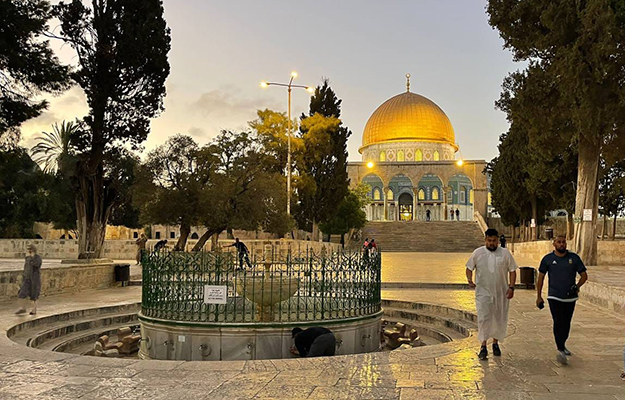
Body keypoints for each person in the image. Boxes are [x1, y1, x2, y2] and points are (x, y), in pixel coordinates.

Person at [466, 228, 518, 360]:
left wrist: (511, 287)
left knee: (499, 317)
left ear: (498, 241)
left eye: (494, 241)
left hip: (501, 292)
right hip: (483, 292)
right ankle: (483, 346)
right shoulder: (478, 253)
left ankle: (495, 343)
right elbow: (469, 267)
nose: (492, 243)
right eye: (489, 241)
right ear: (485, 240)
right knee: (484, 317)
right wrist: (470, 279)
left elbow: (512, 270)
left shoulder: (505, 254)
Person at [536, 235, 588, 365]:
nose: (561, 244)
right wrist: (538, 296)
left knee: (566, 323)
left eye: (563, 242)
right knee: (558, 321)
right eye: (558, 242)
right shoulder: (548, 259)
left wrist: (577, 286)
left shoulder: (574, 258)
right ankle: (560, 347)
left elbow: (584, 275)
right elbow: (541, 278)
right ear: (554, 244)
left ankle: (563, 343)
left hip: (570, 298)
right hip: (554, 296)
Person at [16, 244, 42, 315]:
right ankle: (22, 308)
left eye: (30, 249)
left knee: (34, 295)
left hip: (34, 279)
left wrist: (33, 257)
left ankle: (34, 310)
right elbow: (26, 267)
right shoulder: (27, 258)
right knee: (22, 293)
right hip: (26, 278)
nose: (29, 251)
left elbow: (37, 265)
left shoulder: (37, 258)